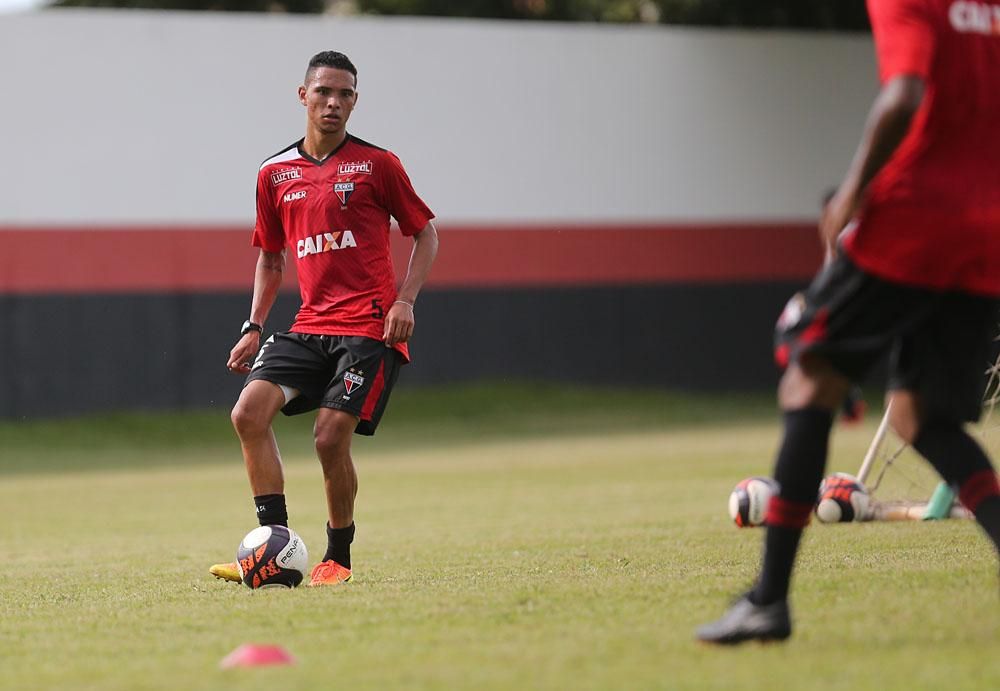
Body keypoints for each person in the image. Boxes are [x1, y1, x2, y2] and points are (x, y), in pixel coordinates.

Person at [698, 0, 1000, 643]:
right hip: (988, 229)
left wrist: (853, 192)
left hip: (915, 219)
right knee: (925, 417)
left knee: (809, 371)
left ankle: (768, 600)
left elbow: (904, 95)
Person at [209, 50, 439, 587]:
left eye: (345, 95)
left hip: (369, 327)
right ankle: (273, 548)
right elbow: (271, 257)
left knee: (329, 438)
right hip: (310, 325)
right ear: (303, 96)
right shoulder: (274, 173)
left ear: (355, 102)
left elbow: (425, 232)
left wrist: (406, 300)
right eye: (323, 93)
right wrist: (253, 325)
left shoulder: (377, 165)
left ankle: (339, 556)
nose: (333, 103)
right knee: (247, 415)